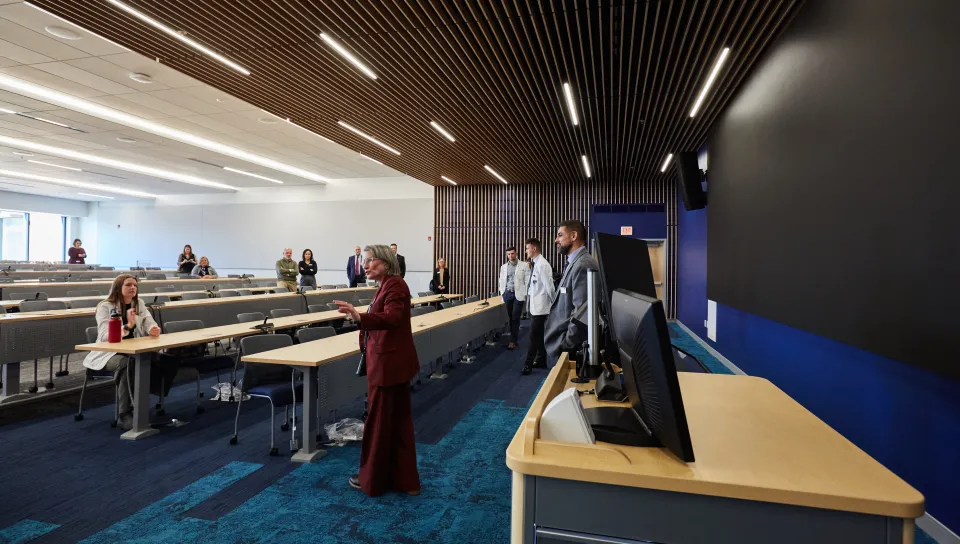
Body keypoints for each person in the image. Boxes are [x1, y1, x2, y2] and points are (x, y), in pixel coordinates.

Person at [334, 245, 421, 497]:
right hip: (389, 363)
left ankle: (372, 479)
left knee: (380, 424)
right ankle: (404, 479)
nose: (366, 265)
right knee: (396, 423)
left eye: (371, 260)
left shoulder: (395, 285)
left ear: (386, 262)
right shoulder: (387, 285)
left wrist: (360, 317)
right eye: (365, 261)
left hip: (388, 365)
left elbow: (392, 318)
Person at [82, 274, 162, 431]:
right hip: (109, 353)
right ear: (118, 288)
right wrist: (128, 327)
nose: (133, 287)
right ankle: (124, 414)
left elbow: (148, 321)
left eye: (135, 285)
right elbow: (106, 336)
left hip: (133, 350)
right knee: (127, 364)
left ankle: (141, 404)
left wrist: (153, 329)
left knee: (162, 359)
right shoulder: (105, 306)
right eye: (128, 285)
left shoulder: (138, 303)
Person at [545, 219, 600, 366]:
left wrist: (565, 345)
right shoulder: (575, 263)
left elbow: (582, 314)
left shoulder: (583, 264)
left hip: (568, 349)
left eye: (560, 235)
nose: (556, 240)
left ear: (573, 236)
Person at [523, 238, 555, 375]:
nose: (526, 251)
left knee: (533, 335)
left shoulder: (543, 265)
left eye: (527, 248)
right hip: (534, 306)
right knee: (539, 334)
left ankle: (527, 364)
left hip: (541, 308)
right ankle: (541, 359)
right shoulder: (534, 264)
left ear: (534, 249)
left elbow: (550, 287)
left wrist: (555, 304)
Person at [498, 246, 531, 350]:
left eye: (512, 253)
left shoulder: (524, 265)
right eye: (508, 254)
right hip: (508, 293)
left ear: (516, 254)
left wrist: (525, 293)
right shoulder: (503, 267)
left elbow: (528, 280)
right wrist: (502, 292)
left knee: (515, 317)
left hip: (518, 294)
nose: (510, 256)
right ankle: (513, 337)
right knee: (510, 317)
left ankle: (513, 341)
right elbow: (501, 280)